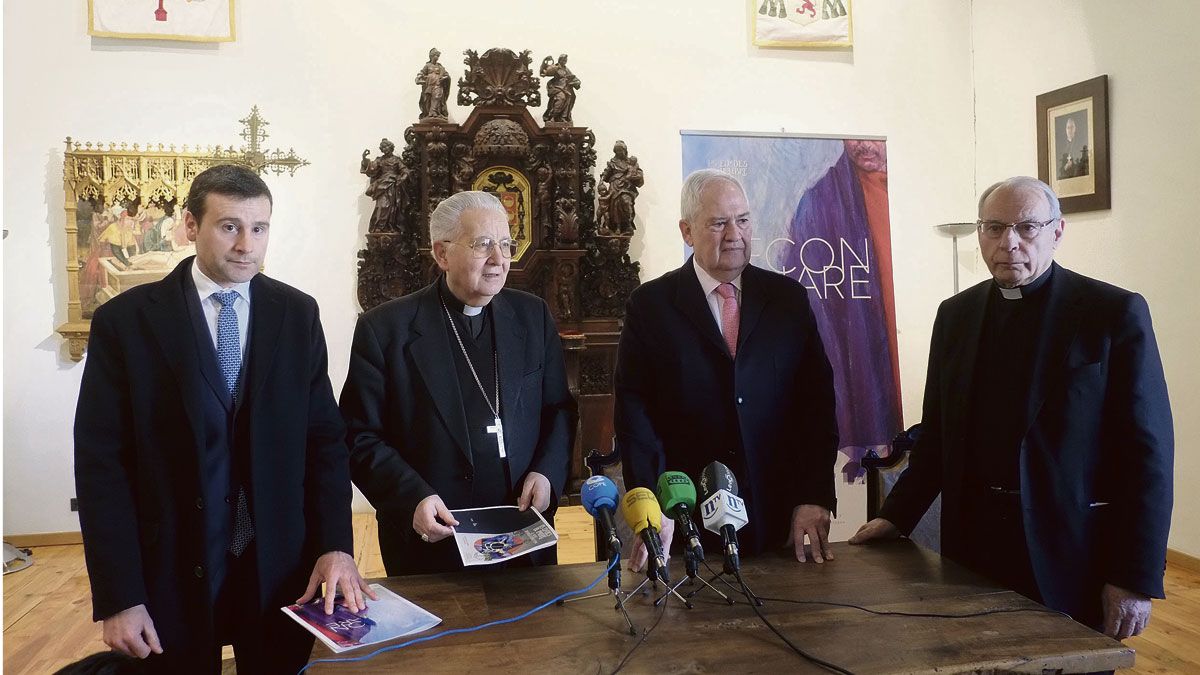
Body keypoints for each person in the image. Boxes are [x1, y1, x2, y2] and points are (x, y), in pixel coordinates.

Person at [74, 163, 373, 674]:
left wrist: (335, 547)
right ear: (190, 225)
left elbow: (324, 443)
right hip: (170, 568)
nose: (246, 246)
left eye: (259, 229)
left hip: (279, 566)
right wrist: (120, 596)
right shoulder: (126, 323)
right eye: (229, 226)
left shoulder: (296, 314)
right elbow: (102, 467)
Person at [851, 176, 1173, 642]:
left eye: (1027, 228)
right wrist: (895, 516)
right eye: (995, 228)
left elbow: (1149, 456)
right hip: (973, 544)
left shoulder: (1111, 313)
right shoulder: (955, 315)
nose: (1010, 243)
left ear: (1057, 231)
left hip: (1068, 546)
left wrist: (1134, 577)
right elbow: (937, 435)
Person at [342, 191, 575, 576]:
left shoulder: (532, 316)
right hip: (433, 536)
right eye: (483, 244)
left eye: (505, 244)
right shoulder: (386, 329)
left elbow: (559, 409)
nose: (499, 260)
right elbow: (359, 435)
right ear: (442, 254)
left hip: (523, 527)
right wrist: (411, 497)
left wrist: (547, 472)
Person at [616, 169, 839, 568]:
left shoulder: (787, 301)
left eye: (743, 220)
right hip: (686, 523)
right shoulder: (650, 307)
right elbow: (635, 417)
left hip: (782, 521)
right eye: (719, 223)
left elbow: (817, 405)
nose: (735, 234)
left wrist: (815, 494)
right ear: (687, 231)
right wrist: (653, 508)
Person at [415, 48, 451, 120]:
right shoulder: (427, 66)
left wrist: (444, 78)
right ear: (431, 56)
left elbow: (447, 75)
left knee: (437, 96)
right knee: (428, 99)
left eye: (438, 56)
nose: (437, 57)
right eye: (435, 56)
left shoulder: (440, 67)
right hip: (429, 85)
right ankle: (429, 113)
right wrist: (418, 78)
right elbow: (421, 73)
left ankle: (434, 112)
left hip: (438, 84)